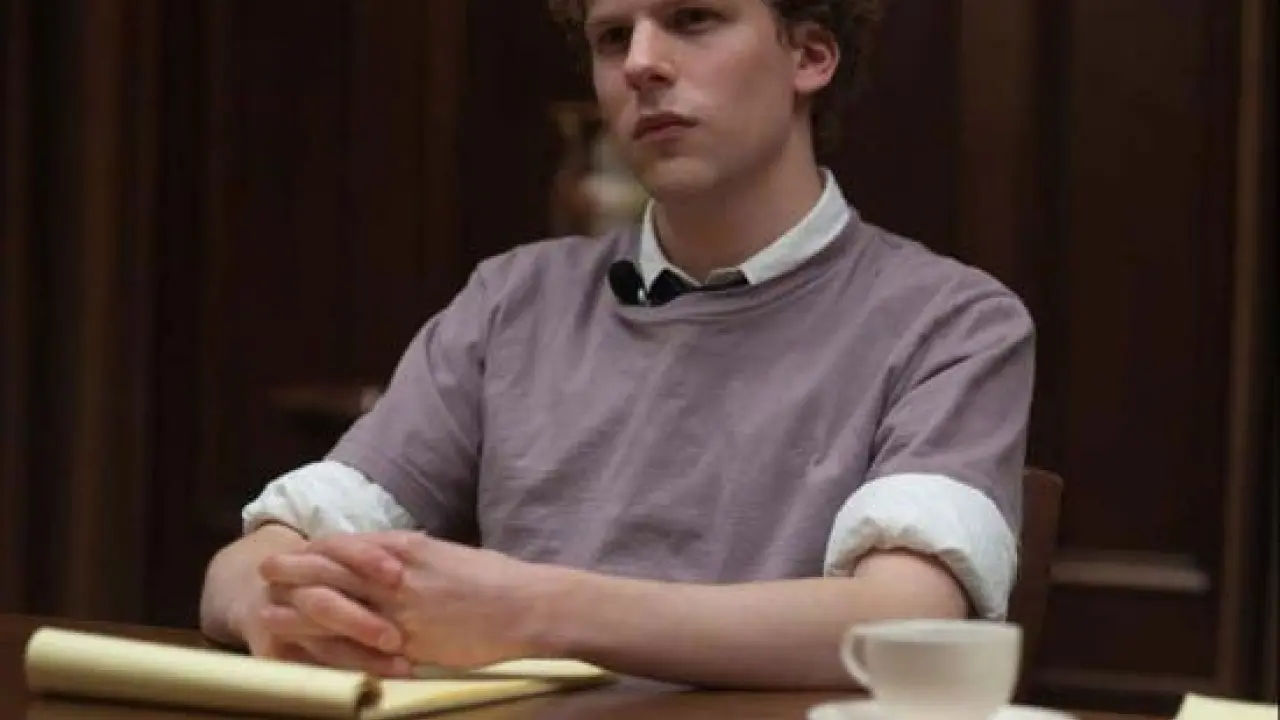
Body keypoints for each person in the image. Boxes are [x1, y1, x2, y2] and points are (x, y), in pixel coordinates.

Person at [199, 0, 1034, 690]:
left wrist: (534, 610)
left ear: (809, 57)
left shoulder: (951, 320)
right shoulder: (511, 300)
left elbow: (903, 619)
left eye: (692, 20)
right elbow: (249, 564)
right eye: (611, 37)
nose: (639, 63)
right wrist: (281, 608)